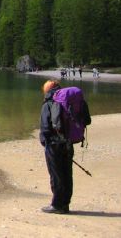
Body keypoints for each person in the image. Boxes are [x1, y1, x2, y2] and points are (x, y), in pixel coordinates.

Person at [39, 80, 91, 214]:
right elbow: (87, 120)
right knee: (67, 173)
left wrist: (44, 142)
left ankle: (57, 205)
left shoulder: (49, 103)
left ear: (46, 91)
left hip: (54, 144)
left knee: (56, 175)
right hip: (68, 142)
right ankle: (65, 204)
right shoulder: (68, 102)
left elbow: (45, 127)